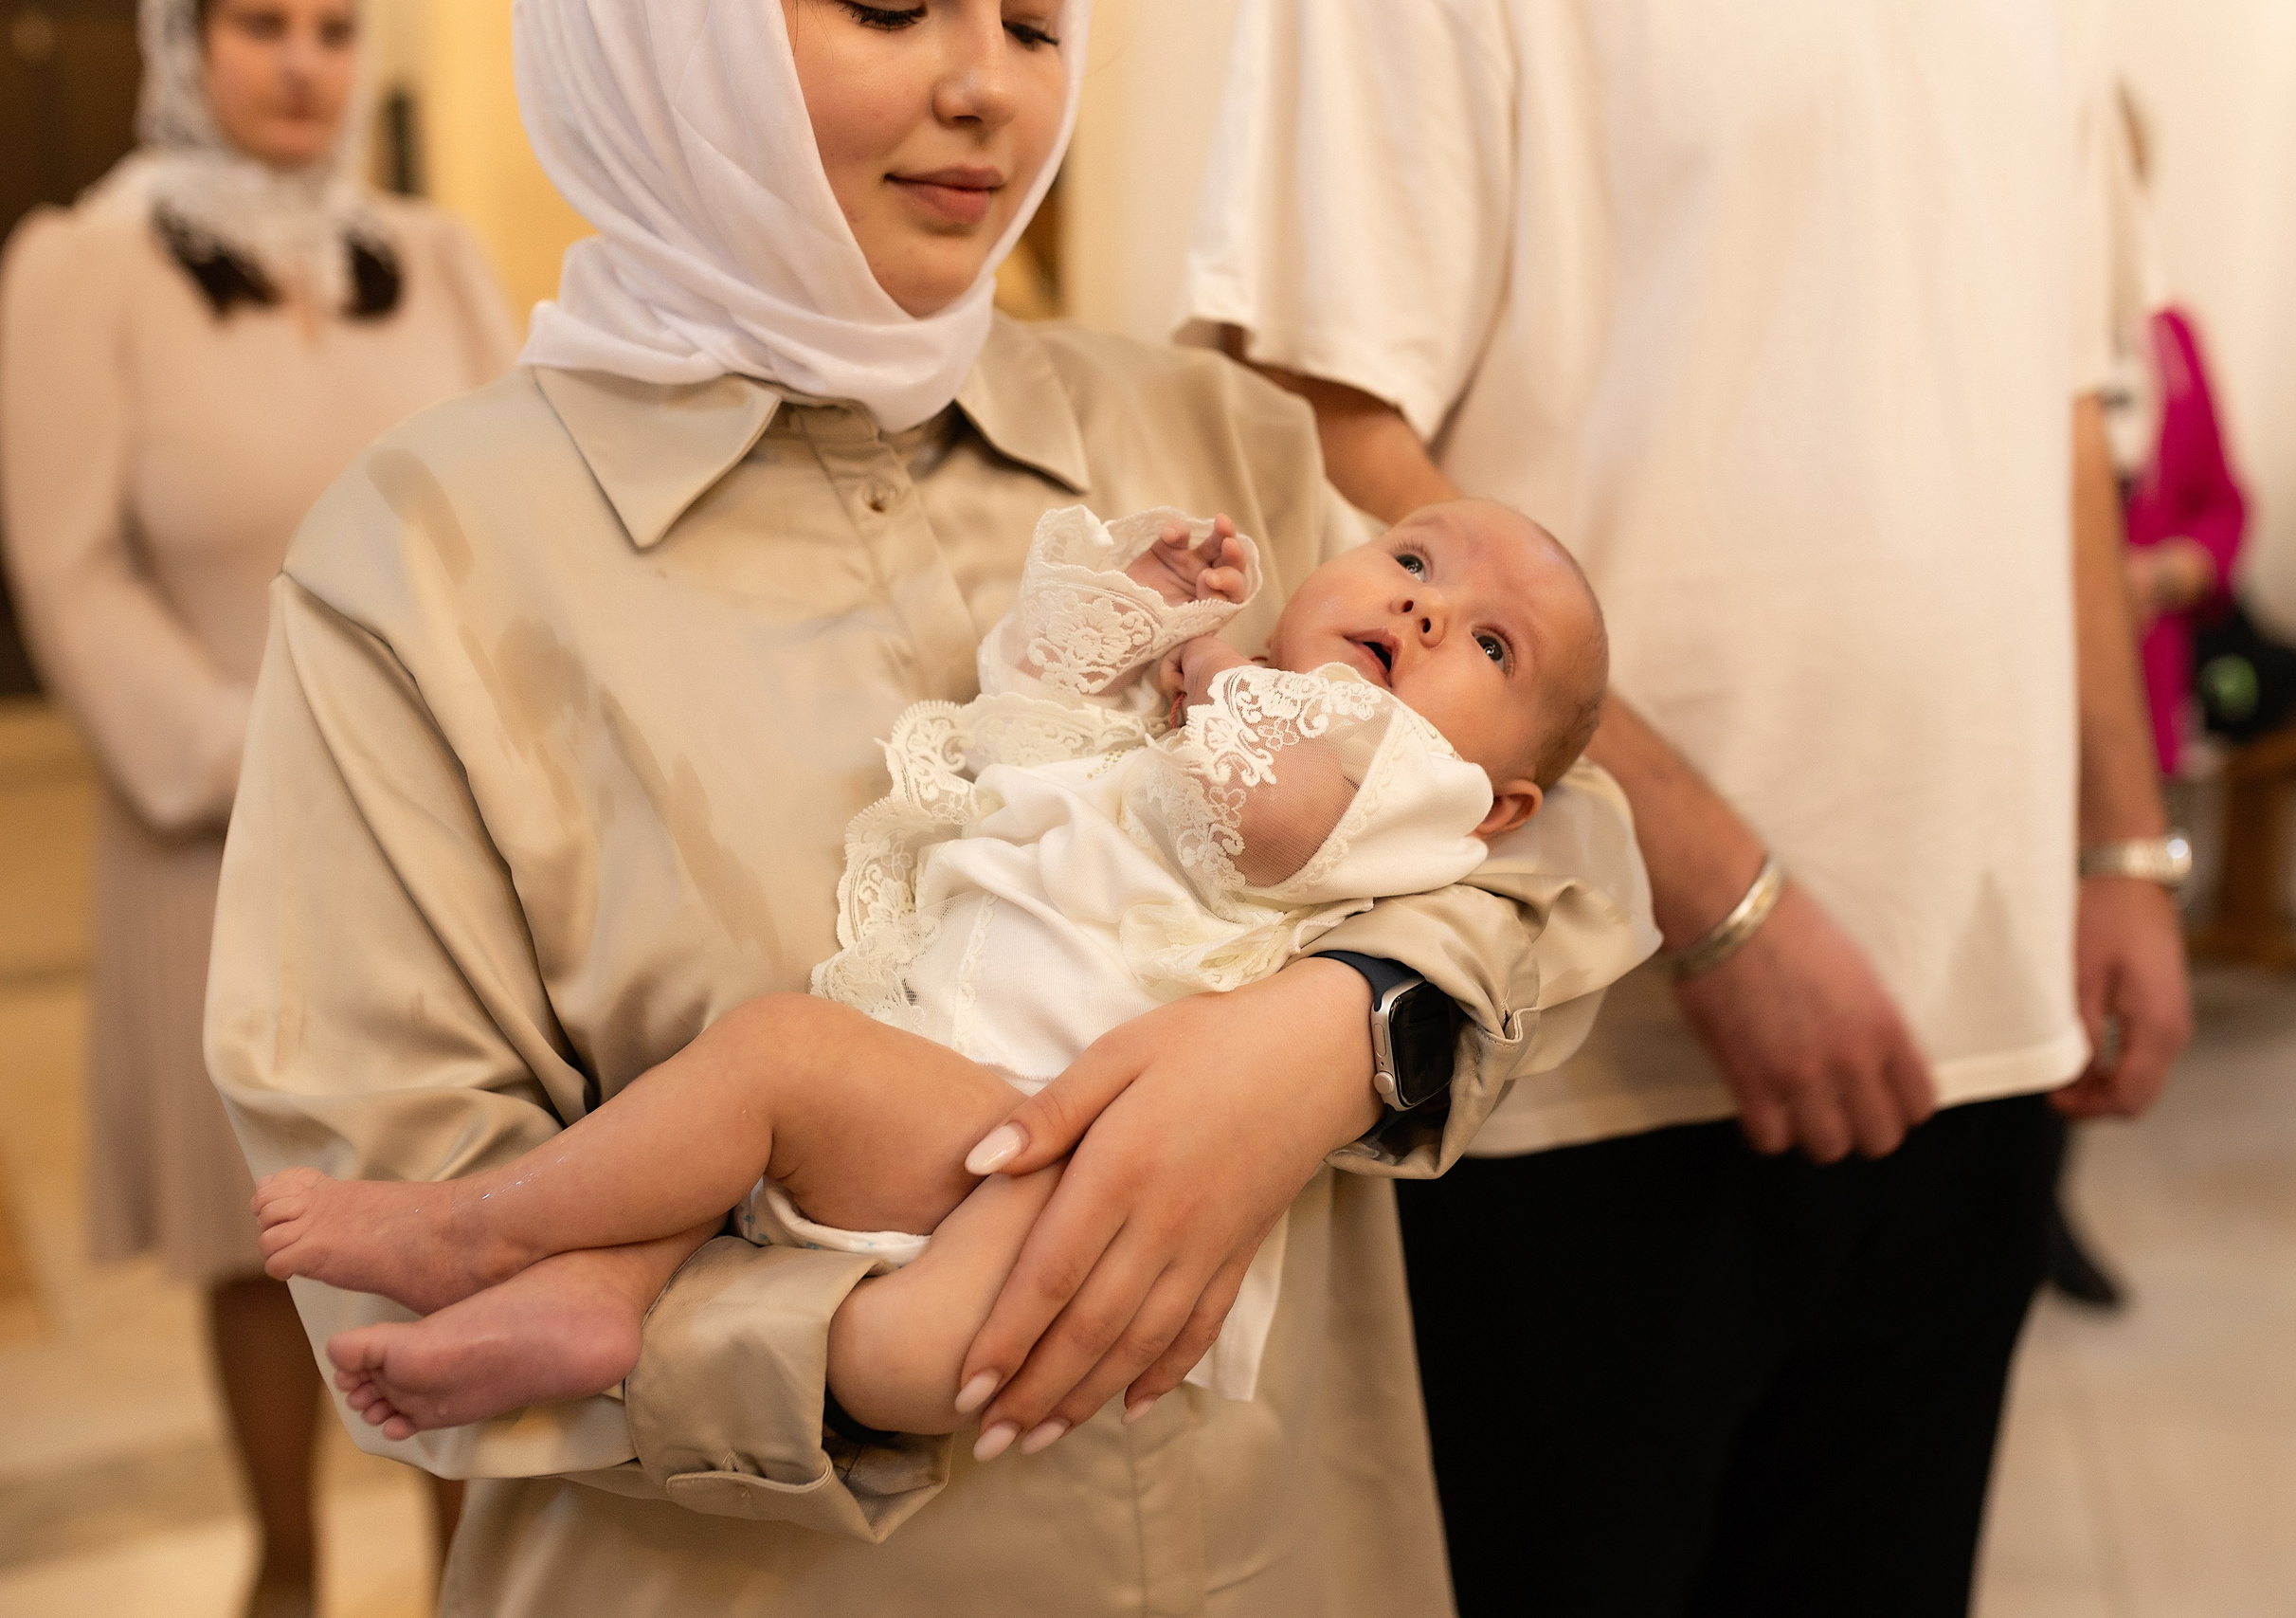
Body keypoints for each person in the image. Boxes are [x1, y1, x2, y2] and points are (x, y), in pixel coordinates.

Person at [203, 2, 1637, 1611]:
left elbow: (1556, 835)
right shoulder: (424, 556)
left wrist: (1336, 1030)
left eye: (1034, 24)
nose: (985, 90)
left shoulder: (1209, 435)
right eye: (890, 7)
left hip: (1284, 1551)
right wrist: (852, 1354)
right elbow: (393, 1212)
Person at [1181, 2, 2195, 1612]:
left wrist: (2118, 841)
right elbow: (1306, 403)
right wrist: (1715, 890)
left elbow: (2061, 413)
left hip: (1978, 1020)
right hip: (1587, 1031)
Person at [249, 497, 1642, 1447]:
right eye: (1411, 563)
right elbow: (1022, 723)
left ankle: (477, 1233)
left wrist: (1217, 671)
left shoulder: (1404, 784)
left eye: (1493, 644)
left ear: (1501, 802)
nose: (1430, 614)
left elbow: (1270, 815)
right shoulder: (1222, 717)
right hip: (968, 1087)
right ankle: (606, 1293)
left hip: (1042, 1134)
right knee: (717, 1155)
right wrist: (1127, 610)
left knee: (777, 1072)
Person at [0, 0, 515, 1611]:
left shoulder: (433, 257)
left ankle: (468, 1574)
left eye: (336, 27)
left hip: (445, 820)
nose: (304, 61)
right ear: (183, 47)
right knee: (257, 1228)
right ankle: (285, 1569)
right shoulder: (85, 266)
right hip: (214, 828)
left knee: (467, 1197)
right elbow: (68, 566)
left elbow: (518, 521)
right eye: (261, 25)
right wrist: (257, 751)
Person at [2049, 82, 2249, 1308]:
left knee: (2101, 940)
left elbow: (2228, 508)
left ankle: (2050, 1196)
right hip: (2017, 701)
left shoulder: (2168, 340)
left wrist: (2161, 571)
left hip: (2137, 692)